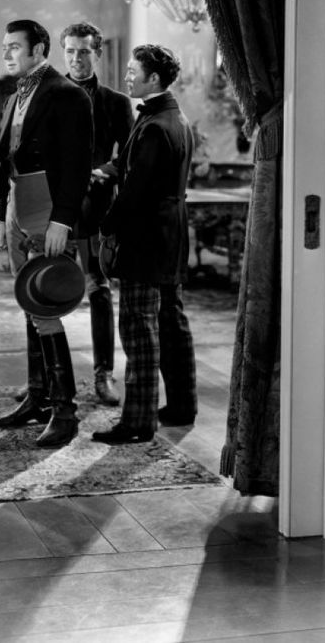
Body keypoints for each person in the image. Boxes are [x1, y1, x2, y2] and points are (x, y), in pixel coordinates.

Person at [0, 19, 94, 447]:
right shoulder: (14, 96)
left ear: (38, 50)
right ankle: (37, 398)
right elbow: (4, 161)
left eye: (14, 46)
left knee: (45, 305)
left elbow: (78, 163)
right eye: (4, 46)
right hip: (17, 202)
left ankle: (65, 411)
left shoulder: (66, 94)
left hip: (48, 204)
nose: (7, 53)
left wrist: (62, 220)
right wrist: (1, 216)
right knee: (27, 301)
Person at [91, 44, 197, 445]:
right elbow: (136, 166)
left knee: (139, 327)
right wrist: (107, 169)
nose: (127, 77)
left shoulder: (153, 124)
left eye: (133, 71)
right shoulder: (174, 117)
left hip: (145, 235)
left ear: (153, 78)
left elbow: (136, 190)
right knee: (170, 322)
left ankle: (137, 423)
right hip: (172, 233)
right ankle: (182, 407)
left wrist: (107, 225)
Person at [59, 20, 135, 406]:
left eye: (84, 51)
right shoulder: (46, 96)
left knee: (99, 292)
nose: (76, 58)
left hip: (96, 210)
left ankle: (104, 374)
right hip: (53, 212)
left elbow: (131, 157)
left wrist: (103, 171)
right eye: (70, 51)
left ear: (98, 53)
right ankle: (45, 379)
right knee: (43, 290)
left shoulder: (117, 102)